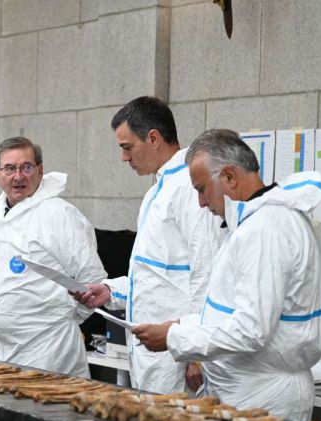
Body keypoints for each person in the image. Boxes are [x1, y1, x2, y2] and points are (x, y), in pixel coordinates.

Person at [132, 129, 321, 421]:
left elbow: (251, 330)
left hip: (263, 397)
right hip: (246, 391)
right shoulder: (253, 225)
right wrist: (181, 324)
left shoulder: (266, 230)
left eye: (201, 189)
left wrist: (176, 337)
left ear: (230, 178)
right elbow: (231, 312)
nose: (200, 202)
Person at [75, 97, 222, 393]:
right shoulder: (156, 192)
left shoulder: (188, 189)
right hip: (152, 354)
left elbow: (208, 273)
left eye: (127, 147)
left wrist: (197, 353)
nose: (124, 158)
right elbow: (155, 278)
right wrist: (110, 291)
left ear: (153, 138)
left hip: (179, 356)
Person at [0, 137, 106, 377]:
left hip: (48, 353)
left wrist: (61, 321)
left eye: (27, 167)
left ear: (41, 171)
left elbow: (92, 279)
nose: (19, 176)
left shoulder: (60, 215)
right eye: (10, 168)